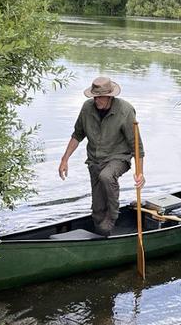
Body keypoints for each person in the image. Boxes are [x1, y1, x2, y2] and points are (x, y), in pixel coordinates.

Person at [58, 76, 145, 236]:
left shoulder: (125, 111)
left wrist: (140, 173)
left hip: (119, 158)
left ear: (110, 96)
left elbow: (137, 146)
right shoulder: (87, 108)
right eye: (94, 96)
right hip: (95, 160)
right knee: (97, 211)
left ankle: (113, 214)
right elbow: (77, 135)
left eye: (100, 97)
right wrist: (65, 159)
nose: (96, 100)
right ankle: (104, 234)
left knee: (106, 176)